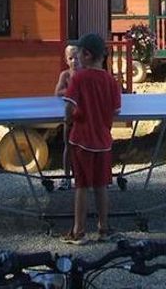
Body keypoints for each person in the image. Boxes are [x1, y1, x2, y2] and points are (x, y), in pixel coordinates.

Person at [60, 33, 121, 245]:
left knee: (82, 186)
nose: (76, 58)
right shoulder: (111, 81)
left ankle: (79, 232)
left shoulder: (78, 78)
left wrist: (68, 121)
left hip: (81, 141)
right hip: (103, 142)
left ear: (86, 54)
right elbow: (116, 111)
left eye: (78, 54)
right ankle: (104, 229)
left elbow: (69, 106)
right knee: (101, 186)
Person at [54, 45, 79, 190]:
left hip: (84, 118)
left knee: (85, 148)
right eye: (71, 58)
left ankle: (87, 178)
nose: (74, 61)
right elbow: (57, 92)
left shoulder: (86, 74)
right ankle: (67, 178)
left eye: (77, 58)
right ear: (66, 60)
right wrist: (73, 91)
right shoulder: (65, 75)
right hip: (69, 117)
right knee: (68, 147)